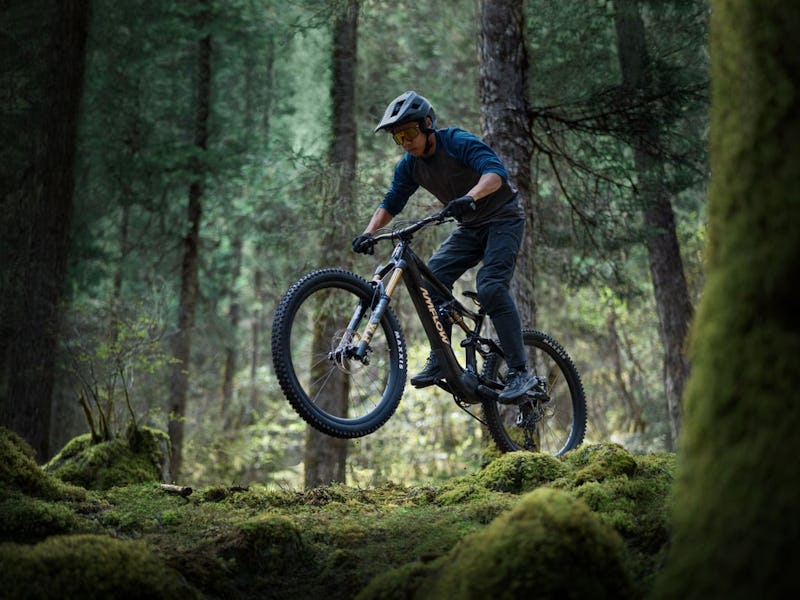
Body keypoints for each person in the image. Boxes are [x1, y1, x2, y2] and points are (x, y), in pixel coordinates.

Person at [352, 90, 537, 403]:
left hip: (504, 218)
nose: (406, 141)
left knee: (491, 287)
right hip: (471, 227)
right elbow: (391, 203)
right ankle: (443, 357)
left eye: (410, 132)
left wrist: (470, 196)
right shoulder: (409, 166)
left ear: (427, 124)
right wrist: (369, 232)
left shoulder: (456, 142)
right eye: (399, 137)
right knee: (431, 282)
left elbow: (496, 174)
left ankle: (521, 371)